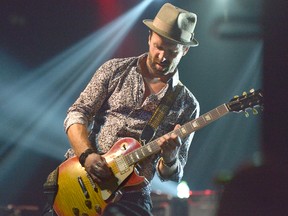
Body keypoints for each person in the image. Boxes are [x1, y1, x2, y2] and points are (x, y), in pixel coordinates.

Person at [44, 3, 200, 215]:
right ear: (149, 37)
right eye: (158, 46)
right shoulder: (114, 70)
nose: (163, 56)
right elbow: (77, 113)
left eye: (172, 52)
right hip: (81, 179)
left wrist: (171, 157)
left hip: (132, 197)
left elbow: (171, 174)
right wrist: (87, 155)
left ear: (185, 50)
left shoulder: (187, 104)